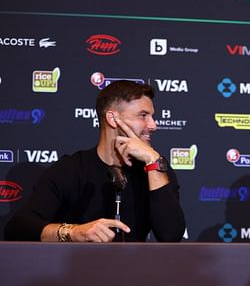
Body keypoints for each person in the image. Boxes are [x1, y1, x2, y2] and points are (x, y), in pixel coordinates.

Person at [4, 80, 185, 242]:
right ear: (113, 119)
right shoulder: (71, 169)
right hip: (75, 275)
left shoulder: (157, 169)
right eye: (143, 115)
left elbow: (171, 235)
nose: (153, 125)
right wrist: (74, 232)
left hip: (135, 275)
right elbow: (18, 228)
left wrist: (153, 161)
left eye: (152, 116)